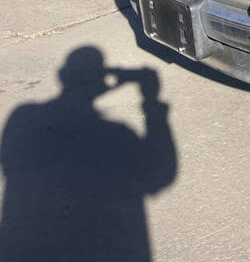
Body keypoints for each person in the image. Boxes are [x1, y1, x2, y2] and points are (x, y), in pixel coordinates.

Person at [0, 46, 176, 261]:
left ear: (63, 77)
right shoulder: (119, 134)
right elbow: (160, 176)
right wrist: (151, 100)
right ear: (101, 82)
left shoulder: (23, 116)